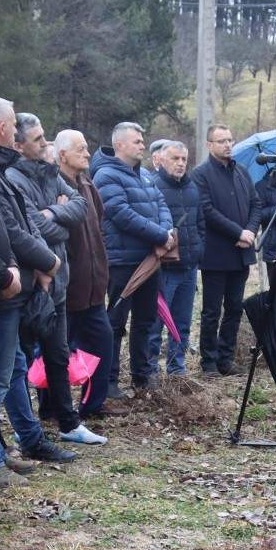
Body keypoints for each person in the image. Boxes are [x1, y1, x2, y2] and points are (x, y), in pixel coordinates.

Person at [0, 96, 77, 471]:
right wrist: (48, 259)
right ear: (4, 129)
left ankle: (26, 439)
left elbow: (48, 217)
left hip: (18, 283)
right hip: (2, 288)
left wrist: (45, 243)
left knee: (12, 369)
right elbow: (13, 229)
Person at [7, 112, 106, 444]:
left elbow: (80, 208)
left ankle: (68, 423)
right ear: (18, 145)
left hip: (57, 281)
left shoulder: (50, 174)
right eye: (37, 139)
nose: (44, 143)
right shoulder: (11, 177)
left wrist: (52, 213)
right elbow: (31, 227)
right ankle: (27, 429)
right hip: (32, 284)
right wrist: (55, 218)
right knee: (20, 359)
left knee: (58, 353)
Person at [92, 121, 176, 394]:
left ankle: (143, 375)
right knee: (115, 323)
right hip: (122, 262)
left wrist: (165, 231)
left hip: (150, 260)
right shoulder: (106, 176)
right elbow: (120, 213)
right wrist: (160, 236)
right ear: (119, 145)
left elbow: (161, 204)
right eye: (137, 141)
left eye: (142, 140)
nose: (142, 144)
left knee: (146, 320)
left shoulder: (145, 176)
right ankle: (110, 381)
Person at [191, 123, 259, 375]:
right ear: (210, 145)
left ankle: (225, 359)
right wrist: (238, 232)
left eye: (230, 140)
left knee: (234, 309)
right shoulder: (201, 174)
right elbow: (207, 211)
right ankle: (208, 362)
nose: (228, 145)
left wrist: (250, 232)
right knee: (211, 312)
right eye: (221, 141)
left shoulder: (241, 171)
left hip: (241, 253)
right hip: (216, 255)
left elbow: (256, 203)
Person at [55, 130, 114, 419]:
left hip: (93, 288)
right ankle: (52, 406)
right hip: (66, 288)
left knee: (103, 343)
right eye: (81, 149)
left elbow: (99, 226)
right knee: (57, 351)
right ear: (62, 155)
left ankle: (92, 405)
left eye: (87, 148)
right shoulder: (52, 187)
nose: (88, 154)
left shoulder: (88, 185)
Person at [144, 139, 202, 380]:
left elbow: (200, 223)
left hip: (189, 266)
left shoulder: (191, 187)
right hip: (165, 269)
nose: (180, 164)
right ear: (161, 160)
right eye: (175, 159)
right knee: (157, 323)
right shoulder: (152, 186)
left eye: (183, 159)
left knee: (182, 322)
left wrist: (200, 249)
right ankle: (150, 371)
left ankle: (177, 369)